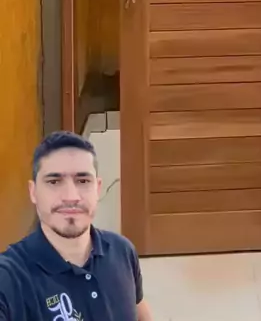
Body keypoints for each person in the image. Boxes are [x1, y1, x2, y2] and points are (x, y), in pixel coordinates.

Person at [0, 131, 154, 320]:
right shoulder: (8, 277)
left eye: (82, 181)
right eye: (54, 182)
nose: (71, 197)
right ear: (33, 192)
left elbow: (140, 312)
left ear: (97, 188)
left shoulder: (122, 251)